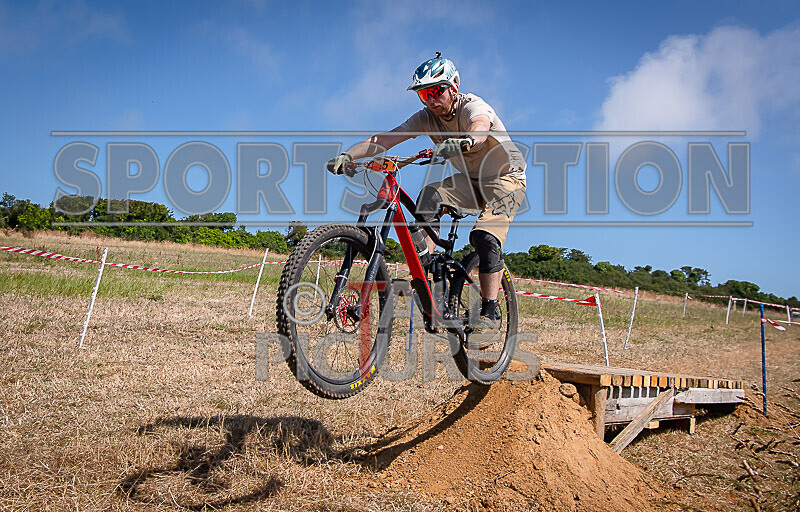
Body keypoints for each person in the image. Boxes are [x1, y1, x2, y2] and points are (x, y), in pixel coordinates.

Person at [326, 53, 527, 333]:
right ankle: (428, 268)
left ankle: (490, 310)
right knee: (429, 196)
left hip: (507, 179)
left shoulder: (472, 106)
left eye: (436, 91)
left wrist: (465, 140)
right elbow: (383, 139)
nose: (431, 100)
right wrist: (348, 155)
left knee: (484, 237)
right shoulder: (426, 118)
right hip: (470, 181)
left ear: (453, 87)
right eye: (424, 95)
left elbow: (479, 127)